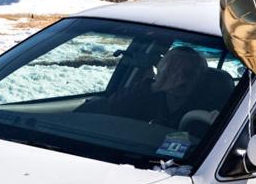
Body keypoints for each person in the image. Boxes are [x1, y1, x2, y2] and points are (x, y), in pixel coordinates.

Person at [96, 45, 231, 130]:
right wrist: (155, 87)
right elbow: (111, 110)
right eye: (172, 71)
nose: (181, 79)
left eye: (189, 73)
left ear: (201, 78)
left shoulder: (211, 107)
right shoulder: (146, 92)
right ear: (161, 71)